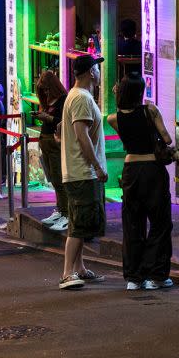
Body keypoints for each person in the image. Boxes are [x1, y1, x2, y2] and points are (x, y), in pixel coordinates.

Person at [108, 73, 175, 291]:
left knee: (132, 223)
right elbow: (166, 139)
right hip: (152, 170)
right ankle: (155, 274)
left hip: (130, 172)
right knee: (160, 222)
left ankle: (134, 278)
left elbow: (128, 138)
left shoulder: (113, 118)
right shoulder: (150, 110)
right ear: (140, 92)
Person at [58, 55, 108, 290]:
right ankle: (68, 272)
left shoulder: (78, 96)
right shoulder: (81, 98)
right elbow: (82, 135)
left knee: (79, 222)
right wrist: (96, 166)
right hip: (82, 171)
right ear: (90, 72)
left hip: (80, 170)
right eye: (97, 68)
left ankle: (79, 268)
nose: (99, 71)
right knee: (79, 224)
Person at [32, 71, 69, 231]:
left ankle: (66, 213)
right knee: (54, 180)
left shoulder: (63, 100)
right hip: (45, 142)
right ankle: (60, 210)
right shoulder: (48, 100)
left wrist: (48, 118)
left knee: (59, 179)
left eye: (47, 89)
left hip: (55, 143)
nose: (46, 93)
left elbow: (63, 122)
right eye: (43, 90)